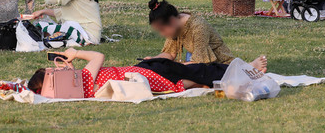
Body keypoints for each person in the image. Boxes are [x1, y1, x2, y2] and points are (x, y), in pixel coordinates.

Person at [27, 48, 267, 97]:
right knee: (199, 70)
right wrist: (75, 53)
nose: (58, 68)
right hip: (150, 75)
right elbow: (99, 56)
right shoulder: (84, 79)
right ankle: (248, 69)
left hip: (143, 73)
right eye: (53, 72)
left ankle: (241, 72)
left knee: (191, 74)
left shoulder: (79, 92)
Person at [144, 0, 234, 64]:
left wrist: (175, 67)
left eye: (162, 30)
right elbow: (170, 54)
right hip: (200, 66)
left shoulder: (199, 27)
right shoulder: (176, 27)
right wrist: (153, 59)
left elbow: (200, 62)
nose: (162, 34)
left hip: (222, 66)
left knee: (180, 81)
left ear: (172, 21)